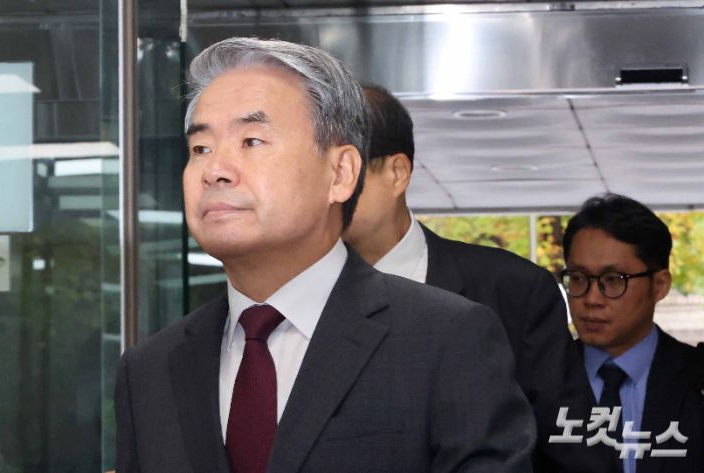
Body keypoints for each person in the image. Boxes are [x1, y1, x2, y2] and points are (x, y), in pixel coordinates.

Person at [114, 37, 536, 473]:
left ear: (340, 173)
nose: (214, 170)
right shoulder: (149, 371)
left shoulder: (445, 338)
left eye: (251, 141)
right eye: (200, 148)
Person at [342, 84, 611, 473]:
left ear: (396, 172)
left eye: (343, 169)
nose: (326, 191)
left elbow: (575, 451)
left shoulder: (512, 291)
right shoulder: (283, 295)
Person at [561, 193, 704, 473]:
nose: (591, 298)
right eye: (578, 278)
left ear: (659, 285)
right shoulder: (537, 382)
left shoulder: (696, 377)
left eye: (613, 280)